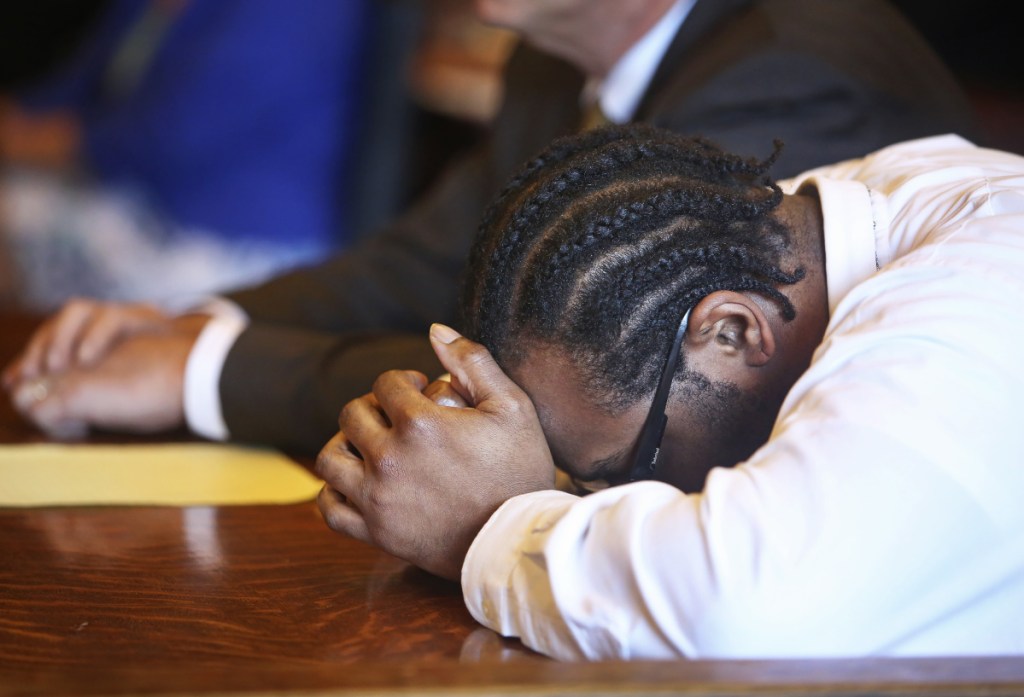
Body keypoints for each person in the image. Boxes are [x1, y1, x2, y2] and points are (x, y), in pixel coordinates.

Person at [4, 0, 979, 452]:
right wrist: (191, 320)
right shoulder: (552, 54)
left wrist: (202, 372)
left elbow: (569, 382)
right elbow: (422, 257)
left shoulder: (789, 67)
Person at [314, 125, 1024, 659]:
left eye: (628, 465)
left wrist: (487, 522)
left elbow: (752, 606)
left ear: (733, 332)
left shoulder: (975, 294)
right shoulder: (789, 234)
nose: (602, 491)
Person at [1, 0, 372, 310]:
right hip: (139, 197)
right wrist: (23, 119)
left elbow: (173, 136)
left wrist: (39, 141)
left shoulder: (297, 10)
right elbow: (87, 78)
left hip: (231, 244)